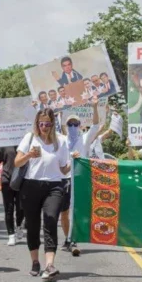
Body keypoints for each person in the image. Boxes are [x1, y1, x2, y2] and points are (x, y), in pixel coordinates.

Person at [15, 108, 70, 281]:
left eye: (47, 124)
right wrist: (29, 155)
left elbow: (63, 168)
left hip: (54, 186)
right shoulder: (30, 138)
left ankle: (49, 264)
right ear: (37, 124)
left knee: (51, 218)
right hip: (31, 185)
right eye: (41, 123)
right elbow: (17, 162)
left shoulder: (61, 141)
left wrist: (74, 161)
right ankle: (35, 262)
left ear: (53, 124)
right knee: (32, 225)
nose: (44, 127)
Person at [59, 98, 101, 256]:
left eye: (75, 124)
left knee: (75, 209)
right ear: (66, 126)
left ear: (80, 126)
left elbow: (96, 125)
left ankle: (74, 238)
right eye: (70, 124)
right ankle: (67, 238)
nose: (72, 127)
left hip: (80, 179)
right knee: (64, 212)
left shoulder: (84, 139)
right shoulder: (62, 140)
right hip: (64, 178)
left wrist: (95, 106)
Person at [0, 145, 25, 246]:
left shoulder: (25, 142)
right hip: (7, 179)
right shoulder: (5, 143)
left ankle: (19, 226)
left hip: (21, 179)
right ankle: (11, 235)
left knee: (21, 207)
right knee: (9, 208)